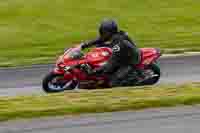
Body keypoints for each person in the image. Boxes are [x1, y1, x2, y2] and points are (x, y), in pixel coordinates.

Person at [81, 19, 141, 87]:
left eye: (104, 32)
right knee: (99, 47)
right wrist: (84, 45)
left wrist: (94, 71)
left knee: (112, 83)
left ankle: (133, 80)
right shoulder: (112, 36)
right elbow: (99, 39)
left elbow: (110, 64)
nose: (102, 34)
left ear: (110, 32)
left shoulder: (118, 43)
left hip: (130, 61)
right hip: (122, 55)